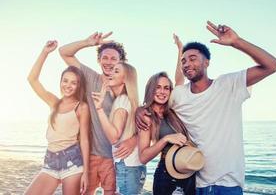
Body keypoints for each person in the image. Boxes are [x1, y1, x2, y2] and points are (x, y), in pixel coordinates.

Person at [136, 21, 276, 195]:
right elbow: (156, 100)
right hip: (194, 180)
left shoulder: (228, 84)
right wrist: (140, 110)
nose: (187, 63)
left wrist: (237, 42)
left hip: (228, 184)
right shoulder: (179, 95)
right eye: (183, 61)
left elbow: (272, 65)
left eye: (192, 58)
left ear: (207, 62)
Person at [59, 33, 137, 195]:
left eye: (113, 59)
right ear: (99, 60)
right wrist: (87, 42)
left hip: (116, 159)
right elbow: (64, 52)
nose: (108, 62)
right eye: (105, 57)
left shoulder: (126, 90)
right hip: (91, 156)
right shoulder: (90, 78)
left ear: (121, 62)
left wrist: (133, 140)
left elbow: (141, 122)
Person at [25, 40, 90, 195]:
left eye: (73, 83)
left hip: (72, 163)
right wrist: (45, 52)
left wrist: (86, 172)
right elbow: (32, 79)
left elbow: (85, 139)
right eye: (65, 81)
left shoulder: (81, 107)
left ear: (79, 86)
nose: (68, 85)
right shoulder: (53, 102)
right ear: (60, 82)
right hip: (50, 162)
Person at [138, 72, 199, 195]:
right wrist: (166, 139)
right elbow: (143, 157)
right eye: (158, 87)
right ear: (151, 89)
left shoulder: (173, 111)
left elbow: (179, 82)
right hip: (166, 174)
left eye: (166, 88)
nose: (162, 92)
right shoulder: (147, 117)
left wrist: (181, 52)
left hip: (187, 170)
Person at [92, 62, 146, 195]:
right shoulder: (129, 101)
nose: (111, 73)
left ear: (125, 79)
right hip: (134, 166)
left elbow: (114, 136)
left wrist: (99, 109)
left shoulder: (121, 101)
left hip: (127, 166)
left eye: (116, 71)